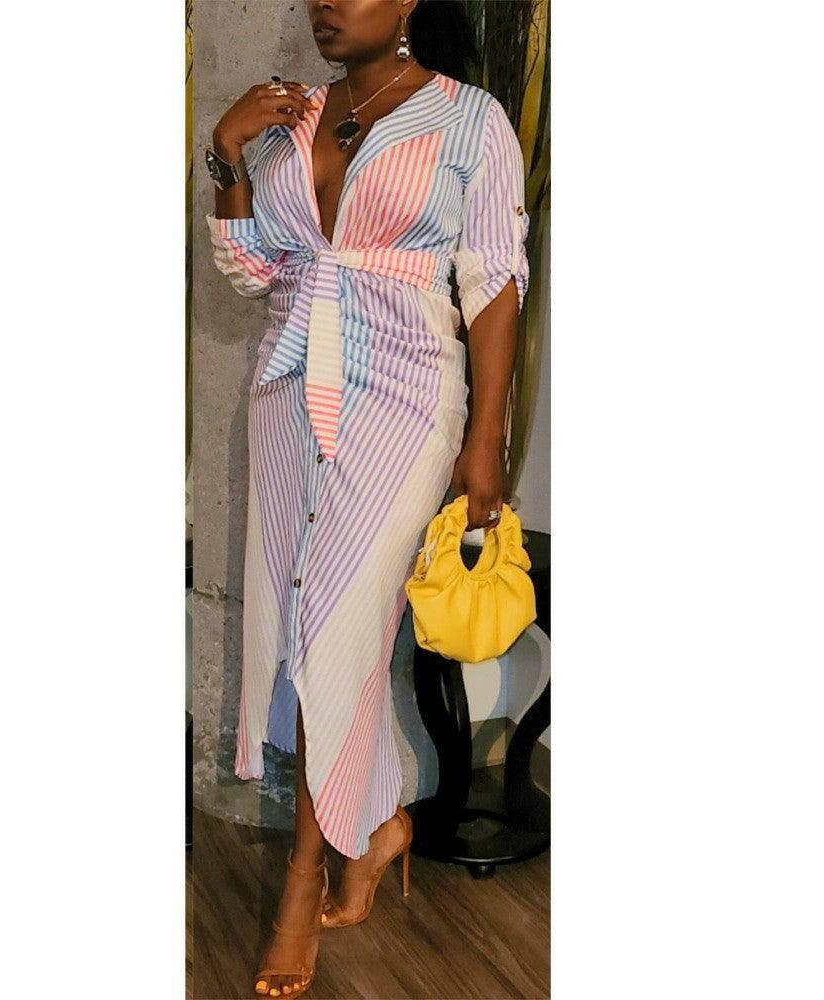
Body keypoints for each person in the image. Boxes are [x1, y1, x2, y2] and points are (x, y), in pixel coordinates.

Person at [204, 1, 530, 995]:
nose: (326, 3)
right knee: (299, 623)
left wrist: (484, 444)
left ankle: (303, 879)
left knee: (336, 632)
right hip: (286, 393)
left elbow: (493, 284)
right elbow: (250, 272)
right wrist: (225, 154)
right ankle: (379, 825)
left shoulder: (470, 120)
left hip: (405, 396)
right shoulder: (291, 116)